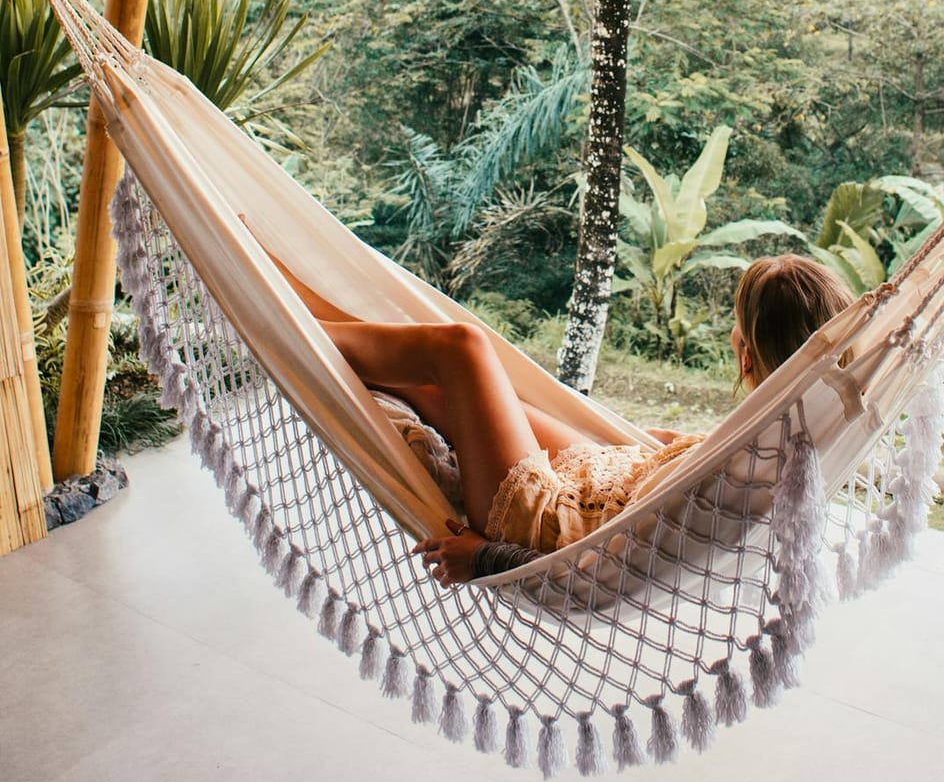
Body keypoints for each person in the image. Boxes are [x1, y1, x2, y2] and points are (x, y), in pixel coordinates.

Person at [272, 248, 851, 584]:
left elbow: (615, 567)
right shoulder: (794, 427)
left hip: (554, 521)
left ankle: (280, 317)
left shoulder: (759, 456)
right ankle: (285, 288)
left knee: (461, 351)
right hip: (609, 479)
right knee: (435, 387)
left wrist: (488, 558)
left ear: (746, 353)